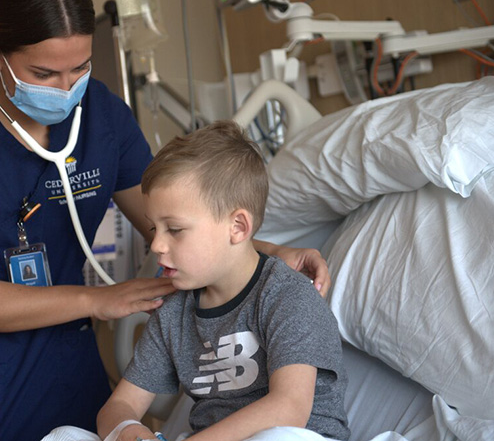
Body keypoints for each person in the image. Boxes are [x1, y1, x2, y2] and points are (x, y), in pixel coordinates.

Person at [0, 0, 332, 439]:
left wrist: (272, 253)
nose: (68, 89)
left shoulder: (102, 116)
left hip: (62, 373)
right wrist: (99, 300)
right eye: (45, 73)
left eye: (80, 68)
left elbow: (176, 223)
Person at [89, 121, 350, 441]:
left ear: (238, 227)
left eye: (174, 229)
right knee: (65, 436)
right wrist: (128, 430)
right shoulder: (173, 314)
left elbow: (289, 408)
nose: (156, 244)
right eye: (154, 229)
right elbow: (119, 405)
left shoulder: (287, 298)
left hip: (295, 436)